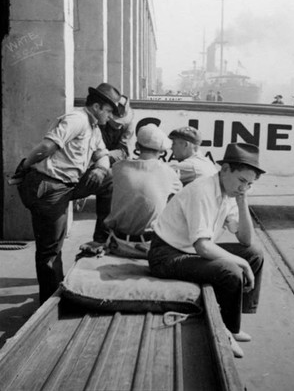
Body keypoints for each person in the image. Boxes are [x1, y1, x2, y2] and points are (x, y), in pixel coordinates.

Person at [148, 143, 265, 358]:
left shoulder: (230, 192)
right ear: (225, 169)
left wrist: (243, 200)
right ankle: (224, 331)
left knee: (255, 254)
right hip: (166, 255)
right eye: (241, 181)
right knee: (231, 270)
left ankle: (233, 324)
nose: (243, 187)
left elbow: (246, 240)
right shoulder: (202, 190)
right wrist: (242, 264)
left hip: (189, 250)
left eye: (249, 184)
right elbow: (202, 246)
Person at [15, 83, 122, 304]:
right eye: (109, 111)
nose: (110, 117)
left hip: (68, 184)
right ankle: (50, 301)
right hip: (48, 186)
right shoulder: (77, 119)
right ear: (95, 106)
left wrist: (101, 169)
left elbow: (102, 154)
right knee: (51, 249)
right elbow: (46, 147)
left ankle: (99, 239)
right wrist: (25, 165)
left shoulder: (94, 127)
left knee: (109, 178)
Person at [104, 124, 182, 248]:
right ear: (162, 151)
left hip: (118, 242)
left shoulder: (118, 168)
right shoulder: (169, 172)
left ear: (137, 146)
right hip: (149, 245)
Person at [98, 94, 134, 165]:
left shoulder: (128, 125)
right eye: (116, 121)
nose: (120, 125)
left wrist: (106, 154)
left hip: (118, 163)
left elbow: (125, 152)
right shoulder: (99, 122)